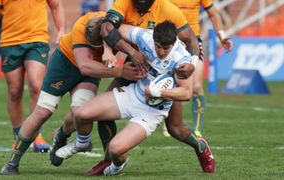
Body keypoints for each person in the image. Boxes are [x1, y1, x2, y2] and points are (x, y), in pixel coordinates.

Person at [52, 0, 214, 175]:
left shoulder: (174, 31)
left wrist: (192, 63)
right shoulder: (143, 34)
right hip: (137, 69)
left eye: (164, 48)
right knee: (92, 114)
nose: (160, 52)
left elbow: (190, 43)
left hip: (158, 96)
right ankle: (107, 159)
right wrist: (129, 52)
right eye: (157, 47)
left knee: (175, 128)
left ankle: (200, 146)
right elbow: (108, 29)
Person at [0, 12, 143, 176]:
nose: (92, 49)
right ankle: (12, 162)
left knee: (82, 112)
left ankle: (63, 134)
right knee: (43, 111)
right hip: (64, 65)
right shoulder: (81, 26)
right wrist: (120, 71)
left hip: (91, 72)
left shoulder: (120, 29)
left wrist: (110, 51)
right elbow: (85, 66)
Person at [0, 0, 66, 152]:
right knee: (14, 91)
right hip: (10, 41)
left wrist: (62, 29)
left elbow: (56, 5)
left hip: (37, 40)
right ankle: (18, 136)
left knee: (36, 85)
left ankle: (36, 135)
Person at [168, 0, 233, 137]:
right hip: (170, 42)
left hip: (193, 42)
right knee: (170, 83)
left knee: (197, 87)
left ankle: (197, 129)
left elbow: (213, 14)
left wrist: (222, 36)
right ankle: (171, 123)